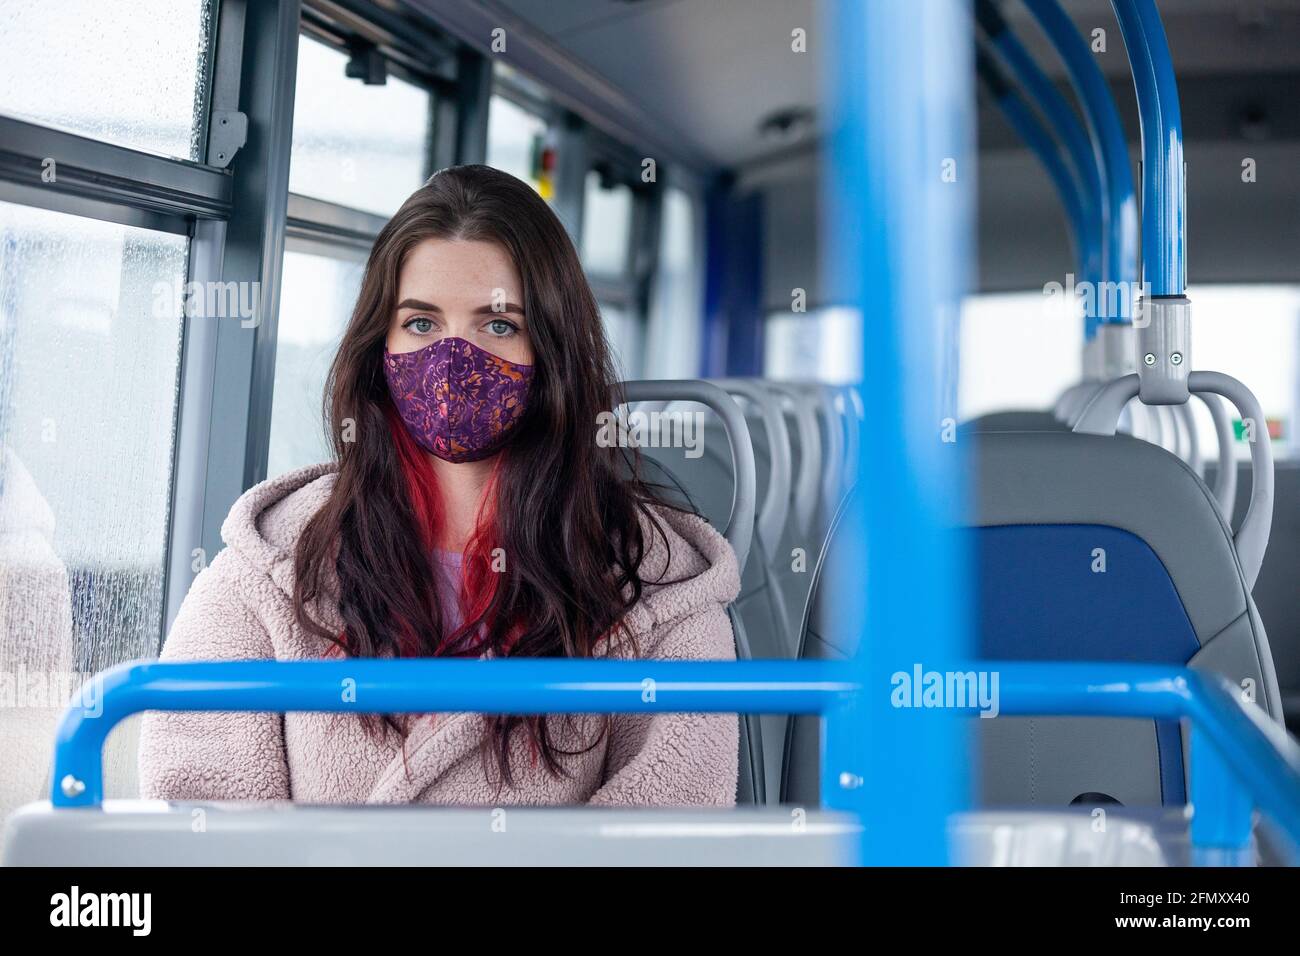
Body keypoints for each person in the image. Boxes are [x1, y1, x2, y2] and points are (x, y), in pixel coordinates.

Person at [138, 165, 739, 806]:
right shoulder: (272, 567)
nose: (454, 362)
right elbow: (196, 815)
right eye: (422, 324)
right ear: (379, 345)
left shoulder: (654, 587)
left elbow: (673, 834)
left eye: (498, 325)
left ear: (553, 352)